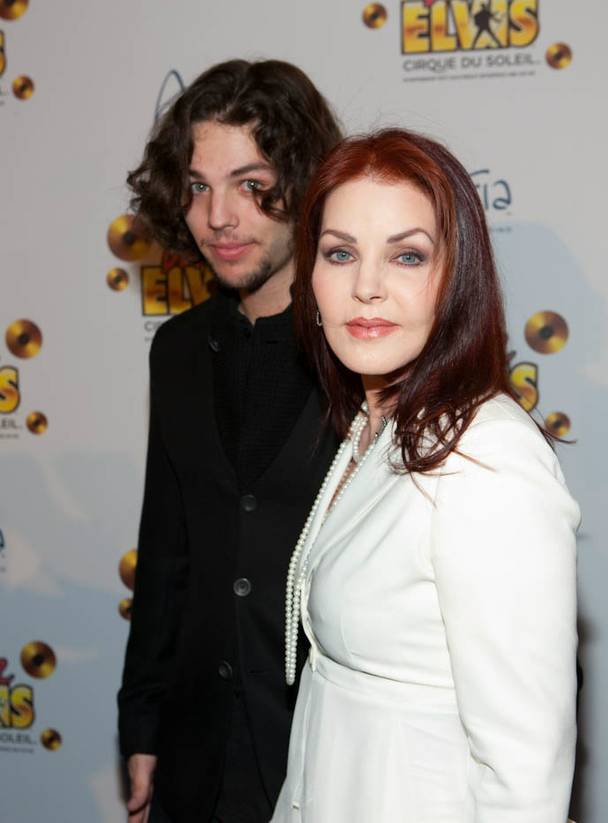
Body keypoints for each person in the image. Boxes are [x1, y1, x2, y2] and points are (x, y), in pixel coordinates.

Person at [272, 128, 580, 822]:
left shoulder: (487, 456)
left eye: (406, 256)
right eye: (340, 253)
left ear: (455, 279)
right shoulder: (372, 423)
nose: (366, 287)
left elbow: (525, 774)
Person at [117, 59, 342, 823]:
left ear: (305, 184)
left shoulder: (366, 353)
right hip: (197, 756)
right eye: (197, 186)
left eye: (251, 185)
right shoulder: (177, 350)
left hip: (324, 760)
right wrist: (142, 724)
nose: (217, 217)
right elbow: (167, 550)